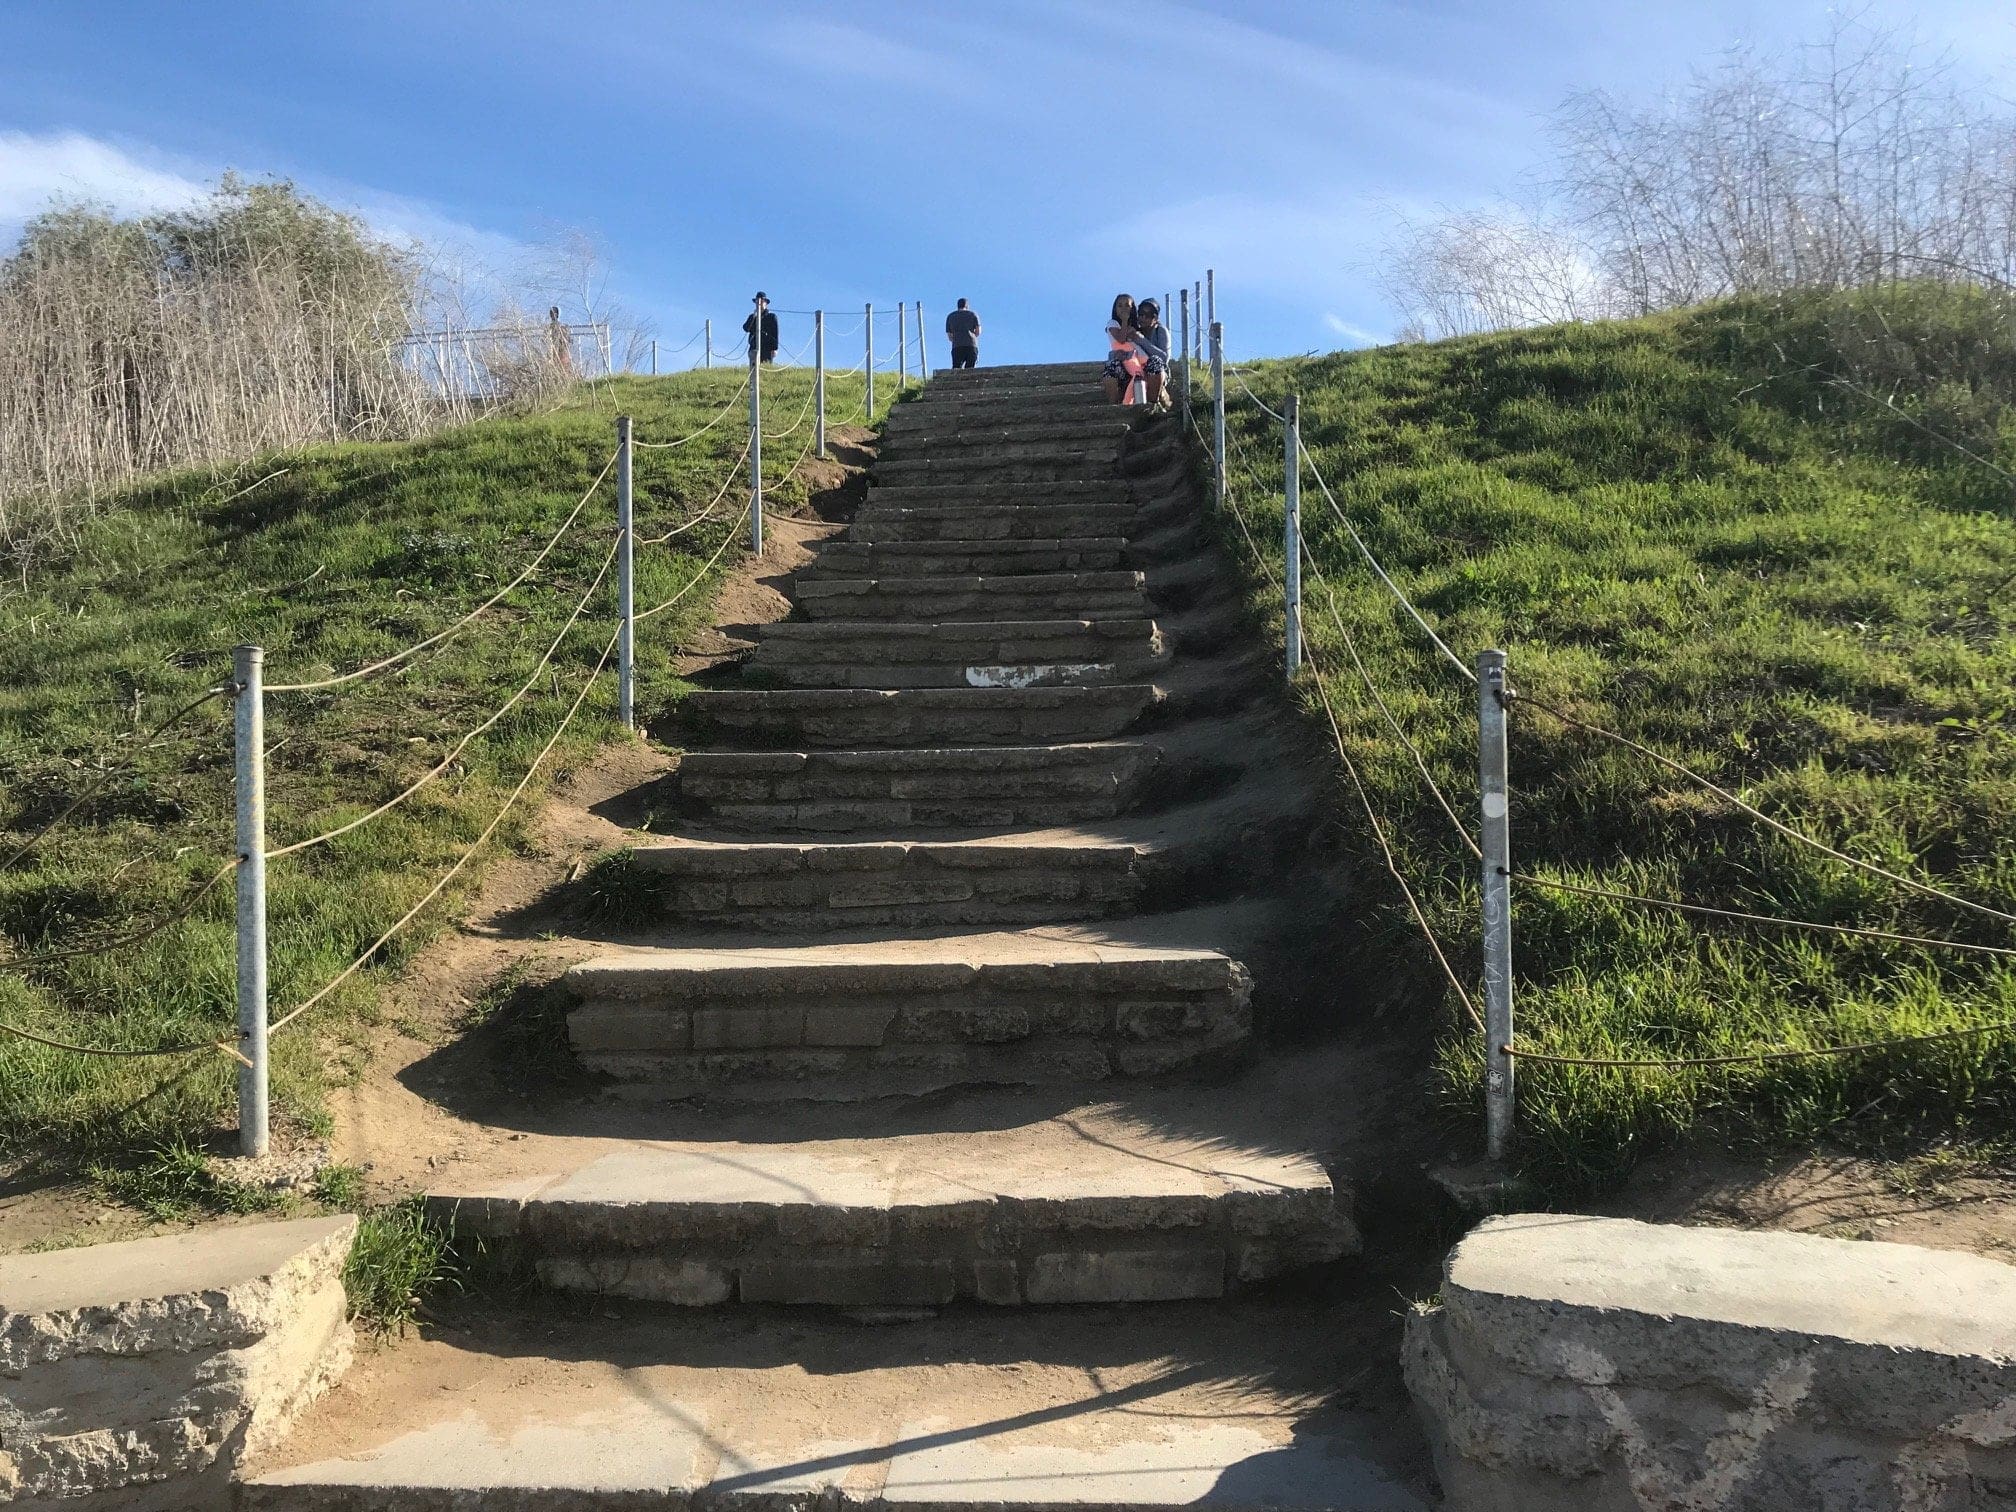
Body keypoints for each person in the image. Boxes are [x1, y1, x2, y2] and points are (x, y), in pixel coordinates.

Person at [1102, 293, 1144, 405]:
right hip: (1120, 362)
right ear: (1115, 309)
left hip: (1135, 363)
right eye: (1120, 305)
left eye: (1127, 305)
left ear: (1132, 308)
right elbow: (1121, 339)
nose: (1123, 308)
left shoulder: (1136, 326)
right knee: (1111, 367)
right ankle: (1114, 404)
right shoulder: (1112, 323)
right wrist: (1125, 321)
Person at [1132, 298, 1171, 410]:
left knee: (1155, 361)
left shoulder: (1160, 331)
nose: (1143, 317)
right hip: (1137, 369)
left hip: (1157, 371)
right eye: (1141, 314)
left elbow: (1164, 358)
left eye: (1149, 315)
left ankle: (1152, 405)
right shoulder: (1135, 331)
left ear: (1156, 318)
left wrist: (1143, 341)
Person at [743, 292, 779, 364]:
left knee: (766, 369)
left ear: (766, 303)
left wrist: (775, 348)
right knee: (753, 369)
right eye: (757, 302)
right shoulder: (752, 317)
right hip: (754, 347)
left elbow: (775, 333)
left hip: (767, 348)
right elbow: (746, 328)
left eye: (761, 301)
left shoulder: (771, 317)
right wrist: (753, 317)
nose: (758, 304)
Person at [945, 298, 981, 368]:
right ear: (967, 306)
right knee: (970, 369)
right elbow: (978, 332)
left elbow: (949, 336)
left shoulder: (950, 317)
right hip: (971, 344)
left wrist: (956, 339)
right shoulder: (973, 314)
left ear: (958, 306)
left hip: (957, 345)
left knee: (957, 368)